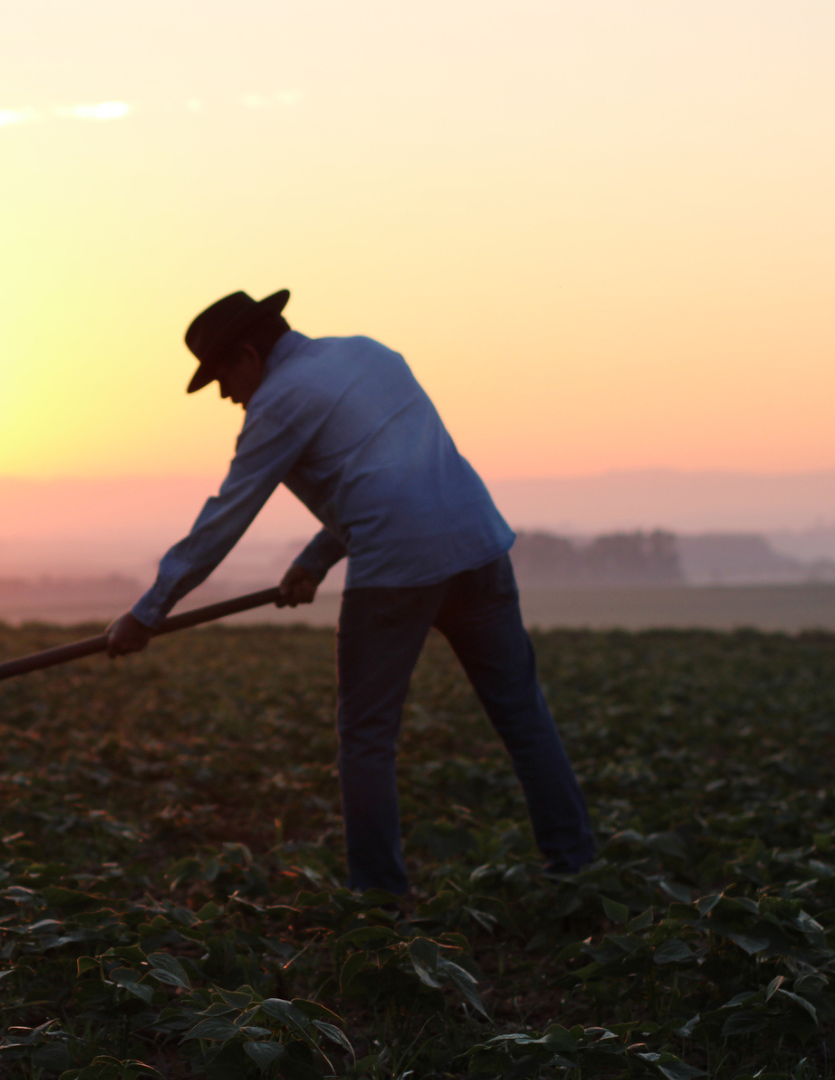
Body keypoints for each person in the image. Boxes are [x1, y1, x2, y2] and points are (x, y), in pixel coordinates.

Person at [105, 289, 597, 894]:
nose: (227, 395)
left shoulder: (277, 404)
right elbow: (382, 475)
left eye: (223, 377)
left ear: (249, 353)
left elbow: (224, 519)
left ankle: (381, 904)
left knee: (366, 738)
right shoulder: (371, 355)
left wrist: (146, 613)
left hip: (395, 570)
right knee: (522, 713)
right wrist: (314, 561)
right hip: (478, 546)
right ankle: (576, 866)